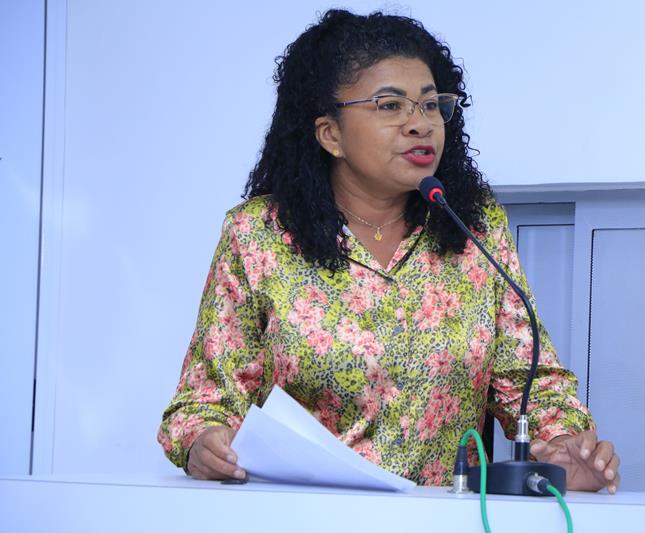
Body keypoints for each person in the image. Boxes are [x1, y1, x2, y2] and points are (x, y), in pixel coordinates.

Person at [158, 9, 620, 493]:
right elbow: (203, 401)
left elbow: (530, 379)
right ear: (330, 134)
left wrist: (565, 446)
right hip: (304, 517)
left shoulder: (473, 227)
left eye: (430, 105)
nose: (420, 124)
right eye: (390, 105)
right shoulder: (258, 235)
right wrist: (205, 442)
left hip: (445, 518)